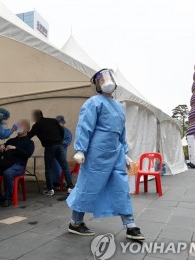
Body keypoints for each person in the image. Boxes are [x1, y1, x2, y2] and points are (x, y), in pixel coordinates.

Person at [66, 69, 145, 240]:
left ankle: (130, 225)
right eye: (102, 79)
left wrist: (125, 153)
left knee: (121, 187)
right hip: (96, 153)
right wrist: (80, 149)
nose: (106, 81)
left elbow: (121, 132)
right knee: (88, 187)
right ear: (96, 84)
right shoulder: (93, 102)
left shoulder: (119, 106)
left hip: (116, 153)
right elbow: (85, 126)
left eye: (108, 77)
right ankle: (75, 222)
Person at [0, 120, 35, 207]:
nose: (18, 127)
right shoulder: (11, 140)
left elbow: (28, 154)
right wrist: (0, 146)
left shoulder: (29, 142)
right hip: (4, 164)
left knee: (8, 173)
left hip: (18, 165)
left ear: (27, 129)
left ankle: (8, 198)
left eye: (21, 126)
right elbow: (3, 145)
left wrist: (15, 148)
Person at [27, 110, 74, 196]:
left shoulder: (37, 125)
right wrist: (59, 139)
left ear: (36, 117)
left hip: (49, 147)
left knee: (49, 169)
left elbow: (28, 136)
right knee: (65, 167)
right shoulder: (53, 120)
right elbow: (62, 131)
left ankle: (50, 189)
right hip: (59, 146)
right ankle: (70, 187)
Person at [53, 115, 73, 188]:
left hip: (62, 151)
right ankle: (54, 182)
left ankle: (61, 183)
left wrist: (62, 141)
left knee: (61, 167)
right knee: (53, 167)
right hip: (53, 152)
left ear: (62, 123)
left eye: (59, 122)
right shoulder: (53, 131)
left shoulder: (67, 132)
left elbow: (68, 141)